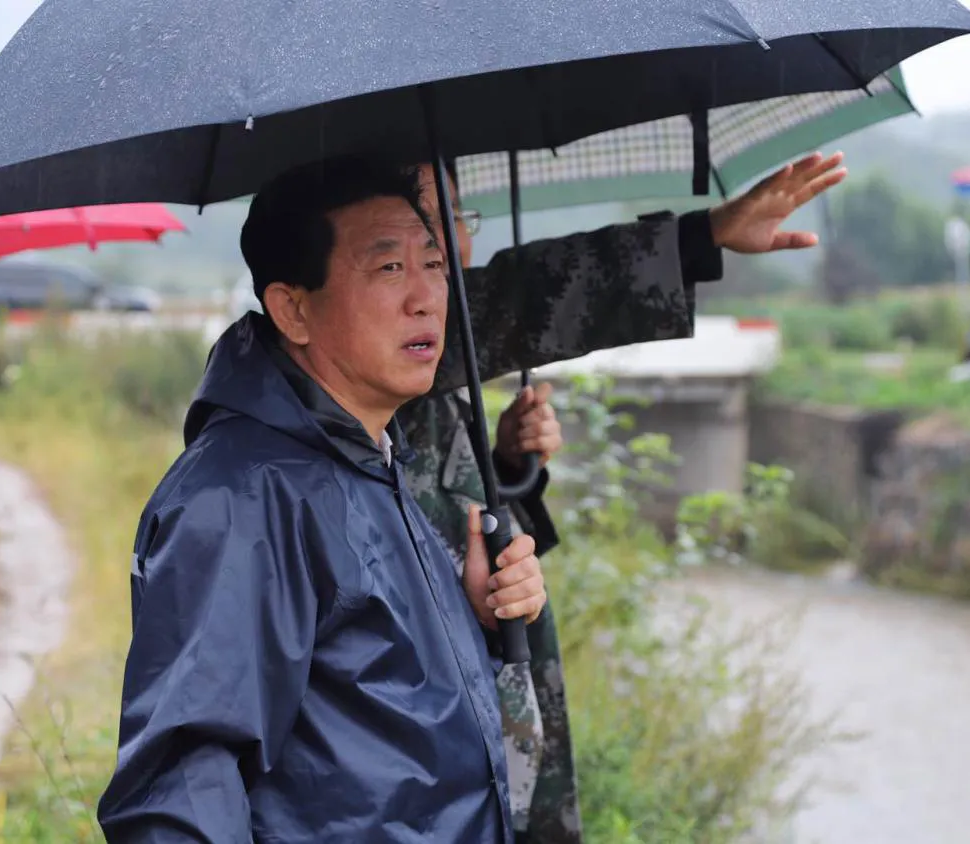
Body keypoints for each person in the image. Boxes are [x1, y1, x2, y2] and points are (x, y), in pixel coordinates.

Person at [393, 151, 847, 843]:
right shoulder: (303, 441)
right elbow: (527, 295)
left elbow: (447, 509)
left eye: (459, 218)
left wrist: (509, 464)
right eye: (432, 223)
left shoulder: (407, 371)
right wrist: (704, 236)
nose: (458, 246)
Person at [97, 157, 551, 843]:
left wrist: (477, 622)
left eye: (433, 261)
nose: (428, 296)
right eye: (388, 268)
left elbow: (375, 713)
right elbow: (184, 784)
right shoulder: (242, 497)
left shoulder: (370, 457)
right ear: (293, 309)